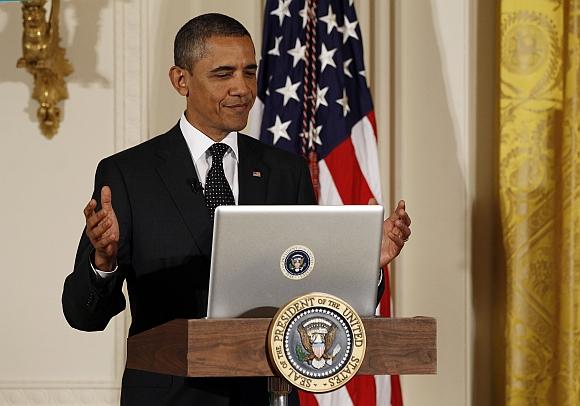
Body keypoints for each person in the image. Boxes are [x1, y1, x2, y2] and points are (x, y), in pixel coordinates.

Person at [62, 13, 411, 406]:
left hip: (267, 395)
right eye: (223, 74)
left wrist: (365, 264)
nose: (242, 88)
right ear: (181, 80)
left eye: (249, 72)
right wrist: (102, 262)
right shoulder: (128, 174)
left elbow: (314, 296)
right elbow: (83, 316)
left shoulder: (285, 171)